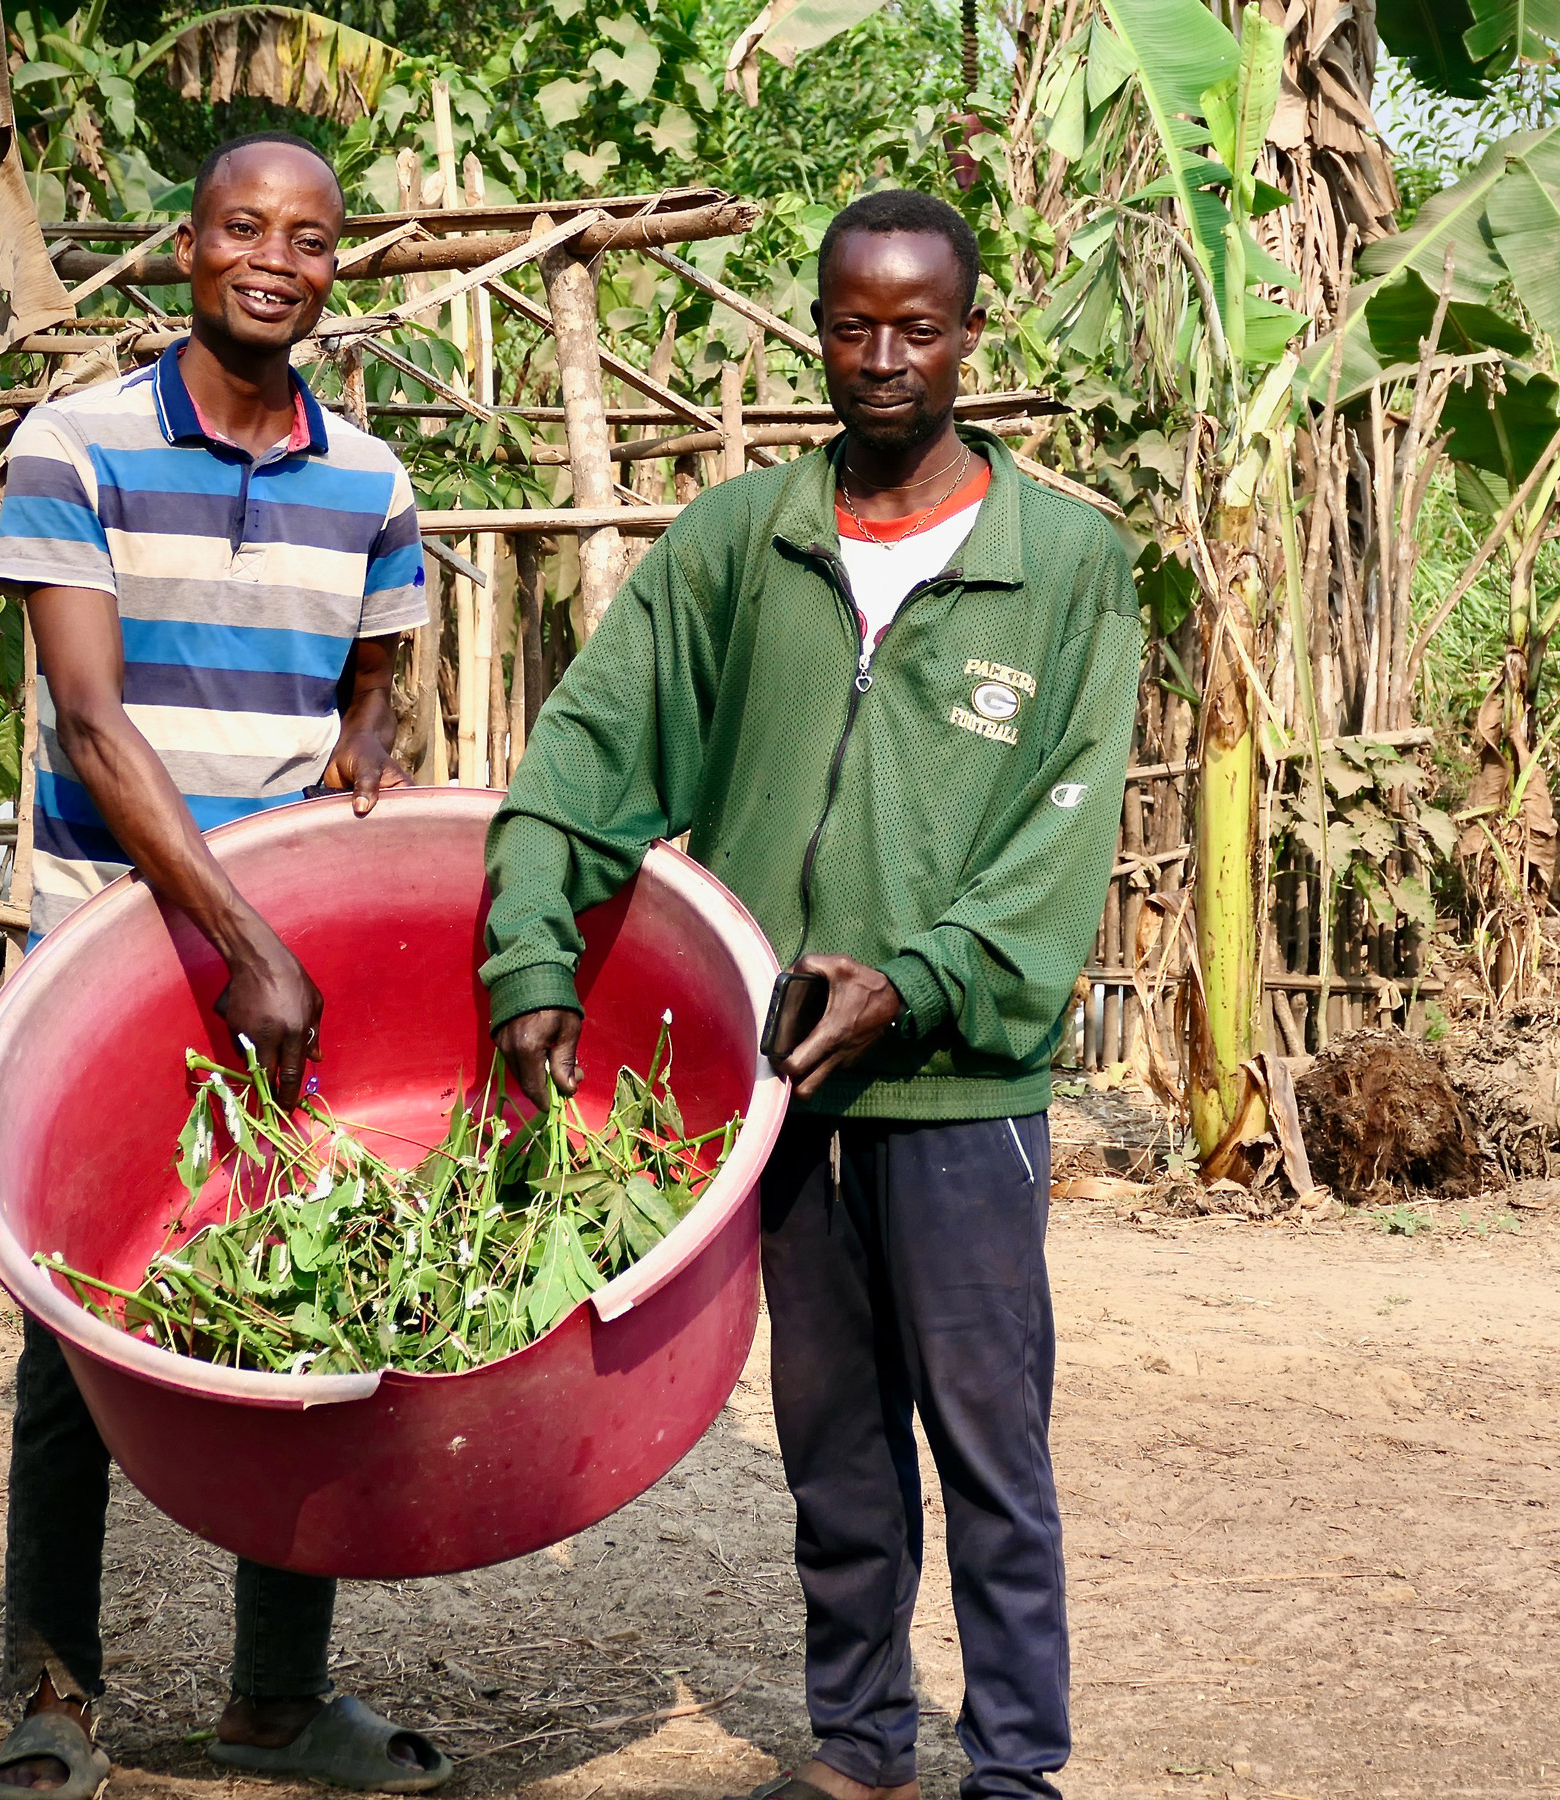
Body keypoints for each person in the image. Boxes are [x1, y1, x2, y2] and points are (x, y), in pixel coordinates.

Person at [481, 188, 1141, 1800]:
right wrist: (529, 944)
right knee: (835, 1451)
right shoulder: (742, 542)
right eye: (854, 324)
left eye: (921, 326)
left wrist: (916, 981)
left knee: (990, 1450)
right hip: (779, 1092)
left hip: (960, 1092)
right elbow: (589, 748)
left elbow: (1065, 831)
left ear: (970, 334)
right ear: (819, 327)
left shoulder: (1063, 564)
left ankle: (1015, 1767)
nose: (885, 358)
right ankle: (858, 1744)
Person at [0, 131, 450, 1799]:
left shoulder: (374, 481)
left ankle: (273, 1697)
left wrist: (365, 745)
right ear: (189, 248)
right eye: (243, 226)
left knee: (295, 1314)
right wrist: (246, 938)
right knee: (75, 1326)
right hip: (114, 944)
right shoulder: (76, 447)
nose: (275, 258)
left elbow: (379, 663)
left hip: (282, 963)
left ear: (337, 267)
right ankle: (53, 1695)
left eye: (309, 237)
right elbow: (95, 729)